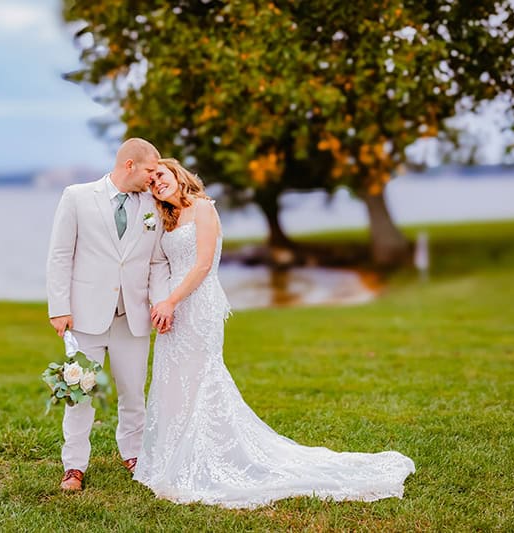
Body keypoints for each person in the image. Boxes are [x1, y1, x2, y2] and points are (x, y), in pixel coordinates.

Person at [134, 158, 416, 508]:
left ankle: (204, 458)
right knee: (173, 378)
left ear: (176, 173)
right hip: (172, 307)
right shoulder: (168, 219)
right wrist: (160, 302)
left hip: (196, 304)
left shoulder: (203, 209)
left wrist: (172, 301)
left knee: (201, 377)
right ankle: (172, 457)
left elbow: (203, 264)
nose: (156, 184)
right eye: (150, 183)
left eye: (160, 175)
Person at [46, 138, 172, 491]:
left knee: (133, 392)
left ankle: (134, 454)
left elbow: (158, 261)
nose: (155, 177)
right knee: (80, 392)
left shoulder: (153, 205)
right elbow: (60, 255)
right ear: (129, 165)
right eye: (150, 169)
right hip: (85, 316)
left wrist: (160, 303)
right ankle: (73, 466)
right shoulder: (77, 196)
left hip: (133, 317)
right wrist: (59, 307)